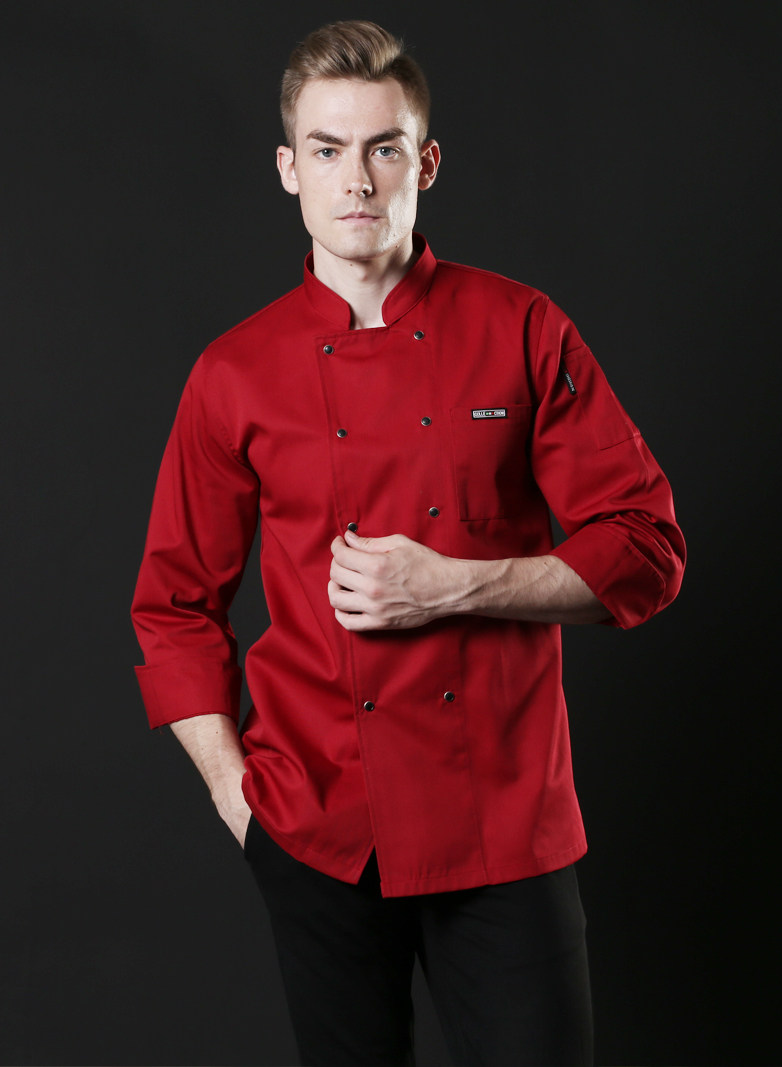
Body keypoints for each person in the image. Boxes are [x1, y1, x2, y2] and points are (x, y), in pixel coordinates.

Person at [131, 19, 685, 1067]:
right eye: (328, 150)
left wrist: (453, 585)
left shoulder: (523, 327)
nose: (358, 180)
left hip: (505, 823)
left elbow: (645, 546)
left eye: (383, 148)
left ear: (424, 163)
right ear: (289, 169)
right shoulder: (232, 373)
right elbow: (172, 604)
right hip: (316, 826)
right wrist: (234, 794)